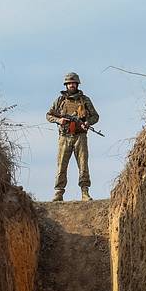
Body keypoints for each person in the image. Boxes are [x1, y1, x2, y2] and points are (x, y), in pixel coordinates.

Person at [46, 71, 100, 201]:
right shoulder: (60, 100)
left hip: (80, 136)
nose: (71, 85)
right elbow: (49, 115)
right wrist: (59, 120)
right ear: (66, 85)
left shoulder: (85, 100)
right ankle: (59, 192)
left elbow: (95, 116)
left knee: (83, 164)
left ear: (77, 84)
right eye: (69, 83)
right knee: (61, 165)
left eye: (73, 83)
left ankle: (85, 191)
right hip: (64, 136)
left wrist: (87, 122)